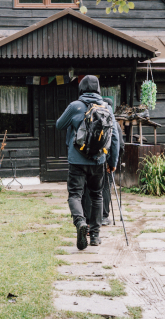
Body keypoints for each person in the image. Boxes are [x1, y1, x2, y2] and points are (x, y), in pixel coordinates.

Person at [56, 75, 120, 250]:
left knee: (75, 194)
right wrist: (112, 161)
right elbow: (114, 137)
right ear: (98, 89)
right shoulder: (106, 107)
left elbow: (59, 125)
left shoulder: (75, 106)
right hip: (99, 160)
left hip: (77, 161)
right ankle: (95, 236)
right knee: (97, 195)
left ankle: (80, 222)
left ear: (81, 89)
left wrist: (74, 122)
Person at [83, 97, 122, 226]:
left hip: (97, 158)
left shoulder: (92, 120)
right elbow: (119, 144)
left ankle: (89, 218)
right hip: (108, 159)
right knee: (105, 187)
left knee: (91, 188)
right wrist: (113, 162)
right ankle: (104, 216)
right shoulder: (114, 124)